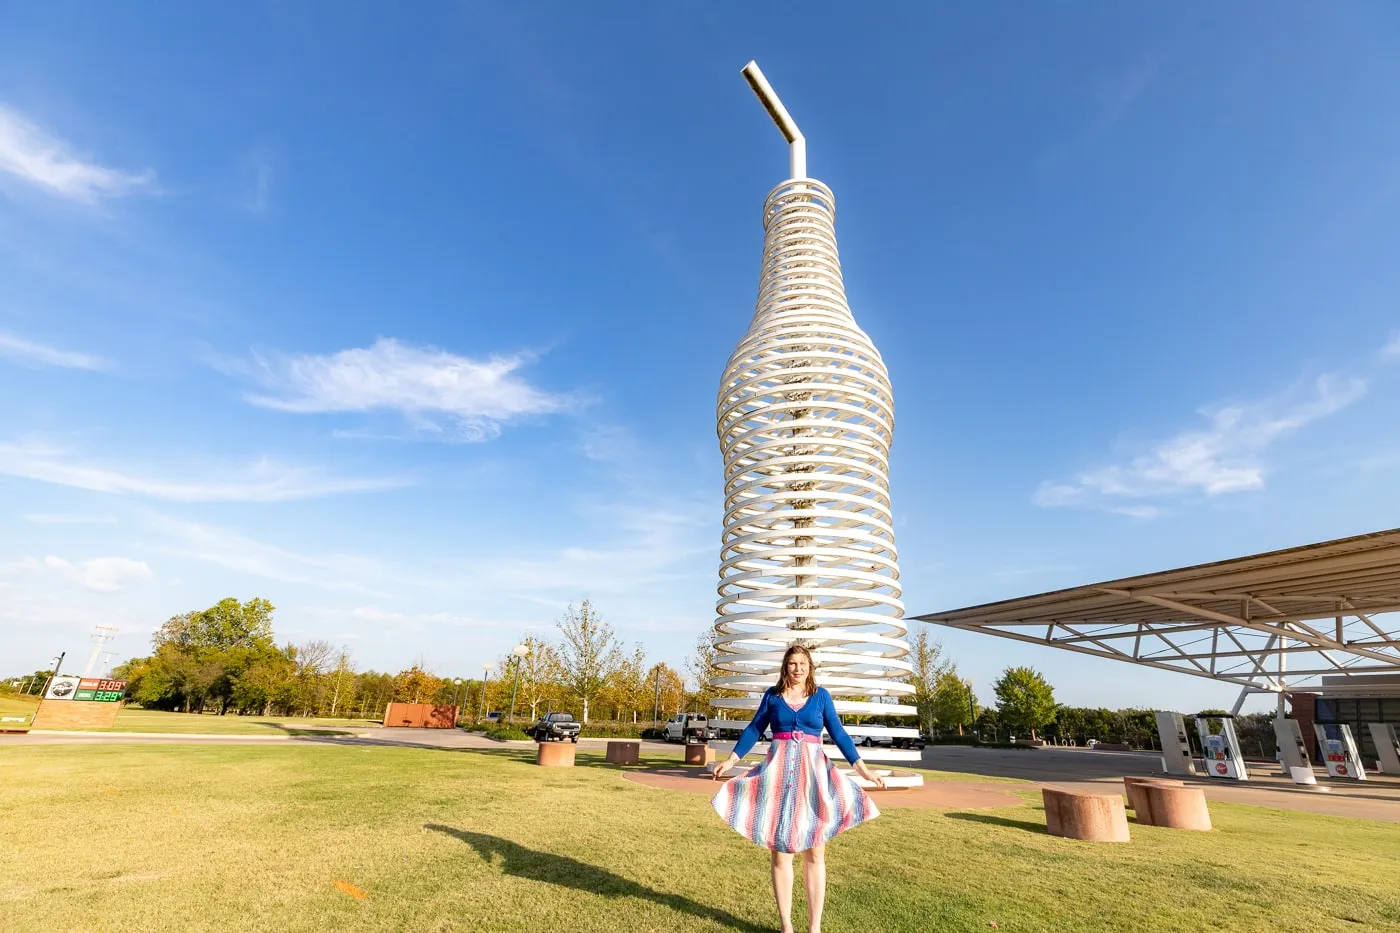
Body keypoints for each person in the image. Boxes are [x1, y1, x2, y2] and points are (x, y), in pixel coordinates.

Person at [711, 645, 886, 933]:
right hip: (778, 779)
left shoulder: (821, 697)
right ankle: (786, 926)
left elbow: (839, 733)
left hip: (813, 778)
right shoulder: (772, 696)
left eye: (803, 663)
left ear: (810, 667)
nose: (798, 668)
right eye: (792, 663)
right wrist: (731, 760)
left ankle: (814, 928)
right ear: (785, 666)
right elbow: (755, 728)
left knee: (815, 851)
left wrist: (863, 769)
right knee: (781, 852)